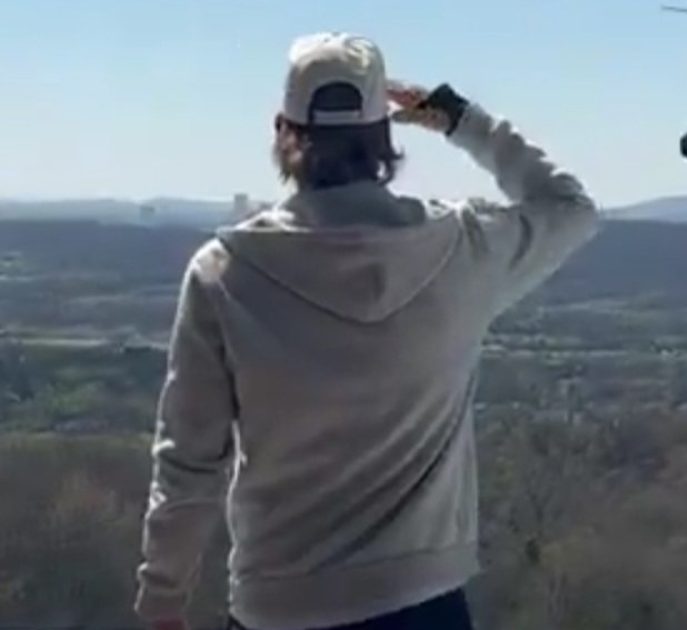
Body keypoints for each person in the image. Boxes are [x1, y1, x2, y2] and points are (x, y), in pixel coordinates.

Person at [133, 32, 599, 630]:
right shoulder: (461, 249)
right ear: (385, 135)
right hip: (423, 600)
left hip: (279, 604)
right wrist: (462, 121)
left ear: (282, 130)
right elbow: (570, 207)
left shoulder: (226, 273)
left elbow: (189, 461)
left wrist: (164, 596)